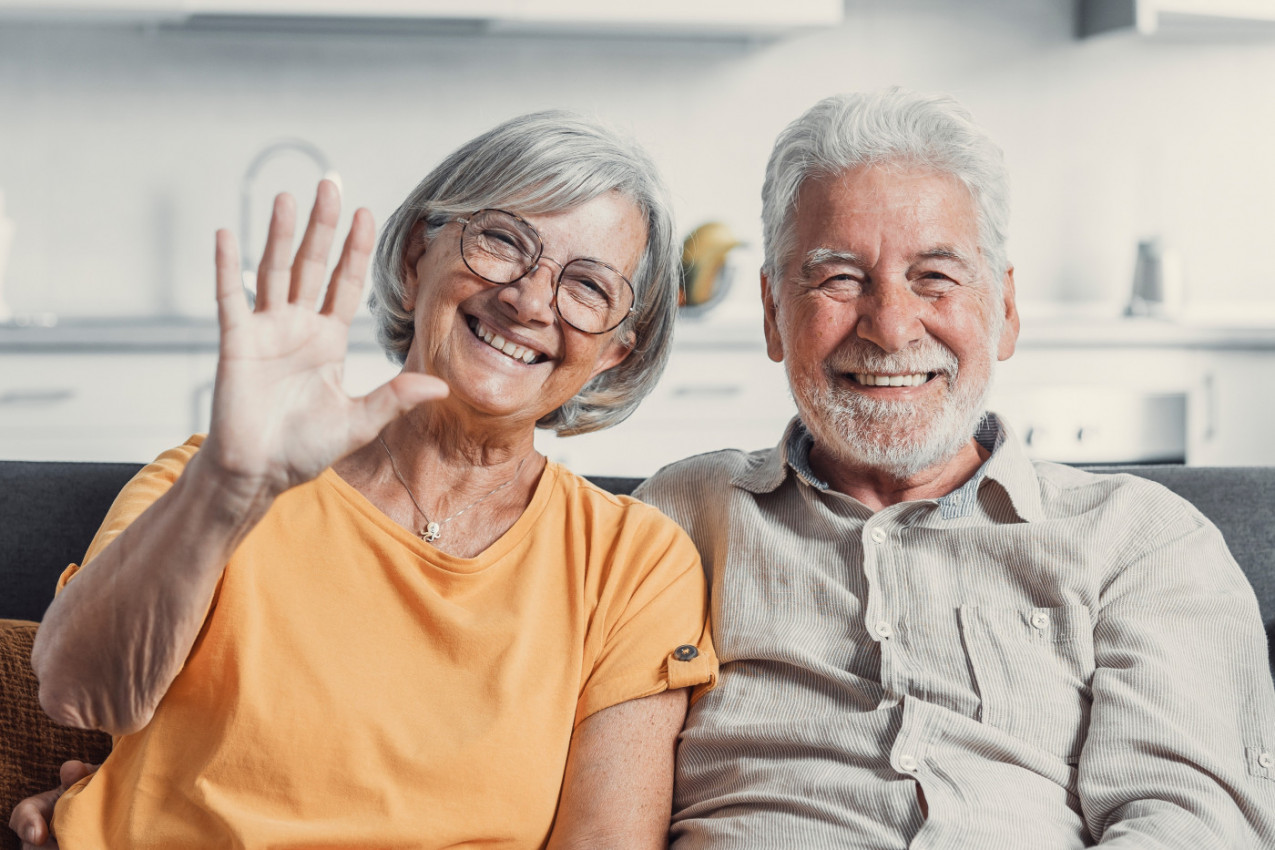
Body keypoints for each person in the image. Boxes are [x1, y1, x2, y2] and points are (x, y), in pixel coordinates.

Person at [9, 110, 715, 850]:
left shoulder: (634, 564)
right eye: (504, 241)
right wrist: (226, 486)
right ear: (416, 257)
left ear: (615, 352)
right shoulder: (210, 481)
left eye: (588, 287)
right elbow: (78, 694)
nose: (530, 301)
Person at [635, 89, 1275, 848]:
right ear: (774, 314)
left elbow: (1190, 825)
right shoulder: (676, 521)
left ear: (1003, 309)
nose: (890, 327)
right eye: (839, 278)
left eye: (935, 276)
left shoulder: (1143, 541)